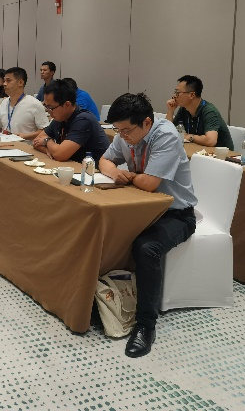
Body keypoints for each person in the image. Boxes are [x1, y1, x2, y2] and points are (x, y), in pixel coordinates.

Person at [98, 93, 198, 358]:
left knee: (146, 247)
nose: (122, 136)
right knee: (103, 225)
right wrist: (115, 172)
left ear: (146, 123)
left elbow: (150, 184)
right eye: (118, 131)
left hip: (176, 214)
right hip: (141, 208)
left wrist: (128, 176)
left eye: (127, 131)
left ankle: (145, 325)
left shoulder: (166, 136)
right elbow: (104, 161)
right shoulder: (126, 133)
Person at [32, 79, 109, 163]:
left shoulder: (83, 120)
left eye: (51, 108)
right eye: (46, 107)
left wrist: (47, 140)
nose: (49, 112)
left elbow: (60, 155)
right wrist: (48, 150)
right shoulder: (59, 118)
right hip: (70, 165)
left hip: (90, 169)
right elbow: (36, 141)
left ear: (67, 104)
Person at [0, 67, 48, 140]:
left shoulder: (34, 104)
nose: (4, 84)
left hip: (24, 146)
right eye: (4, 81)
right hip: (5, 143)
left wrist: (26, 136)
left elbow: (45, 131)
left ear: (20, 82)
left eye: (8, 81)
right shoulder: (4, 102)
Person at [166, 75, 233, 150]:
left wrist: (189, 136)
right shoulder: (184, 109)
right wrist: (170, 111)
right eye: (175, 92)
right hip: (198, 150)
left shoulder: (209, 111)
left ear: (192, 95)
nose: (174, 96)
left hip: (221, 155)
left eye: (177, 92)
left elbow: (211, 141)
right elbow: (167, 131)